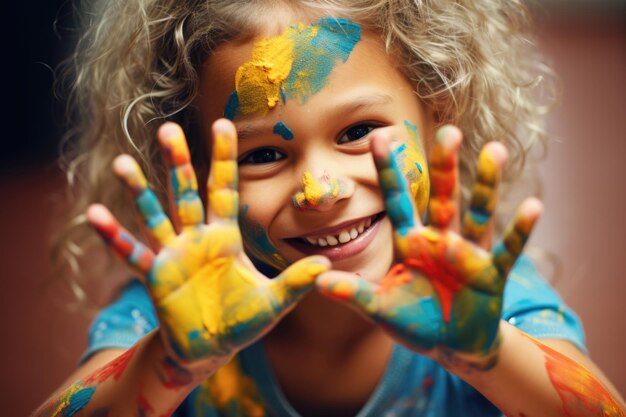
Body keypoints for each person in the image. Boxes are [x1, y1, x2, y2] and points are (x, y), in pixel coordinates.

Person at [35, 0, 625, 416]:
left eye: (357, 131)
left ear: (440, 111)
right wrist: (166, 365)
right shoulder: (174, 318)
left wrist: (489, 355)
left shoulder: (482, 306)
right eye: (263, 153)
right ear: (189, 170)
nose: (320, 189)